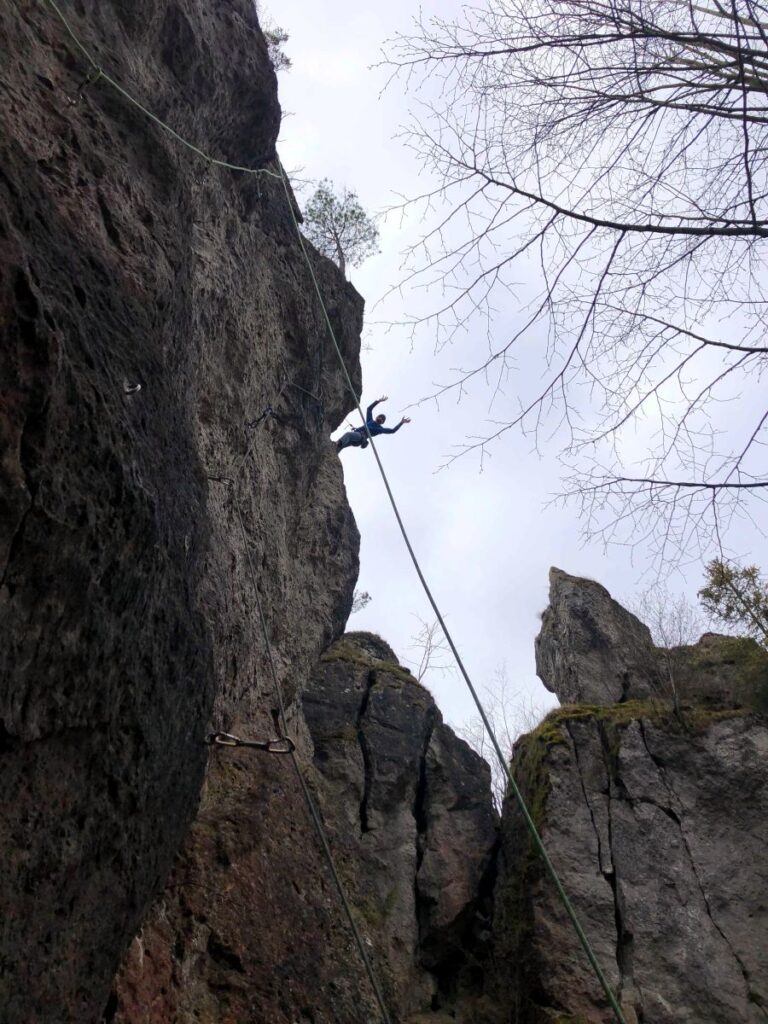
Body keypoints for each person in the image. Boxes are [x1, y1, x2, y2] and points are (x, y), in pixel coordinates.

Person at [336, 396, 411, 453]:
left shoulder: (380, 429)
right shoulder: (370, 420)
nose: (380, 419)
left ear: (382, 422)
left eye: (382, 419)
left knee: (348, 435)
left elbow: (392, 430)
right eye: (380, 417)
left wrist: (401, 423)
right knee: (342, 446)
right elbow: (369, 409)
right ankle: (334, 451)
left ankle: (337, 443)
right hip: (357, 435)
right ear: (377, 417)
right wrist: (378, 401)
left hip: (361, 437)